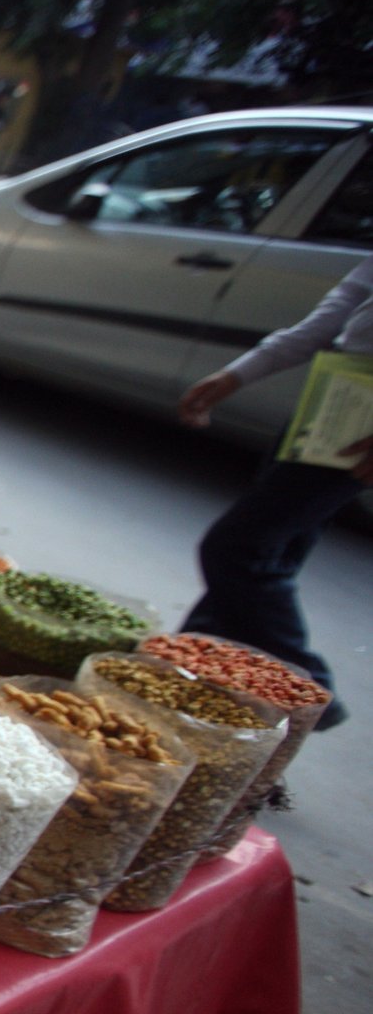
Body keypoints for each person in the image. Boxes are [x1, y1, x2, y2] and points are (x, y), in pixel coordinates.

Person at [176, 255, 373, 729]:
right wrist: (237, 374)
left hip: (363, 424)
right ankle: (192, 658)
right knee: (275, 549)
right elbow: (332, 315)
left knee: (238, 547)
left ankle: (308, 687)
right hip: (336, 399)